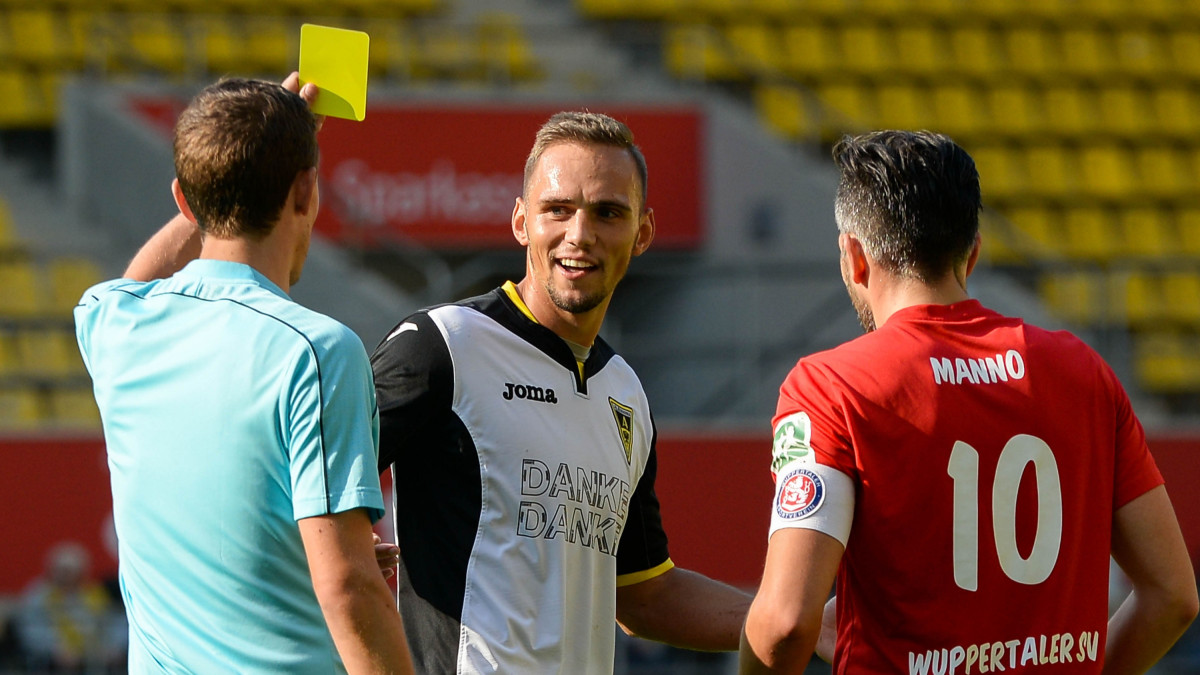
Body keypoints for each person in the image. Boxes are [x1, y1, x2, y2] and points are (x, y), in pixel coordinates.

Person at [738, 130, 1199, 674]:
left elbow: (786, 624)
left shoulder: (831, 386)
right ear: (973, 251)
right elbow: (1174, 596)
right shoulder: (1085, 372)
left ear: (854, 258)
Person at [370, 111, 752, 673]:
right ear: (521, 221)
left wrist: (795, 619)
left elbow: (646, 596)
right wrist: (337, 545)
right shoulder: (443, 345)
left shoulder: (625, 390)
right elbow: (299, 482)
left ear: (643, 233)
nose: (580, 234)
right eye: (557, 209)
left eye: (607, 213)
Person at [74, 76, 414, 674]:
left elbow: (137, 280)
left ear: (183, 202)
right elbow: (349, 587)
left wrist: (216, 189)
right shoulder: (317, 351)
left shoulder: (112, 322)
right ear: (306, 192)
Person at [15, 542, 124, 673]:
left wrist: (114, 646)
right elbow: (29, 629)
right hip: (50, 662)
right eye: (61, 570)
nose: (65, 576)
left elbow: (115, 622)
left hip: (94, 659)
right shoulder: (38, 597)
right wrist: (53, 649)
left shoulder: (94, 595)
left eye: (70, 571)